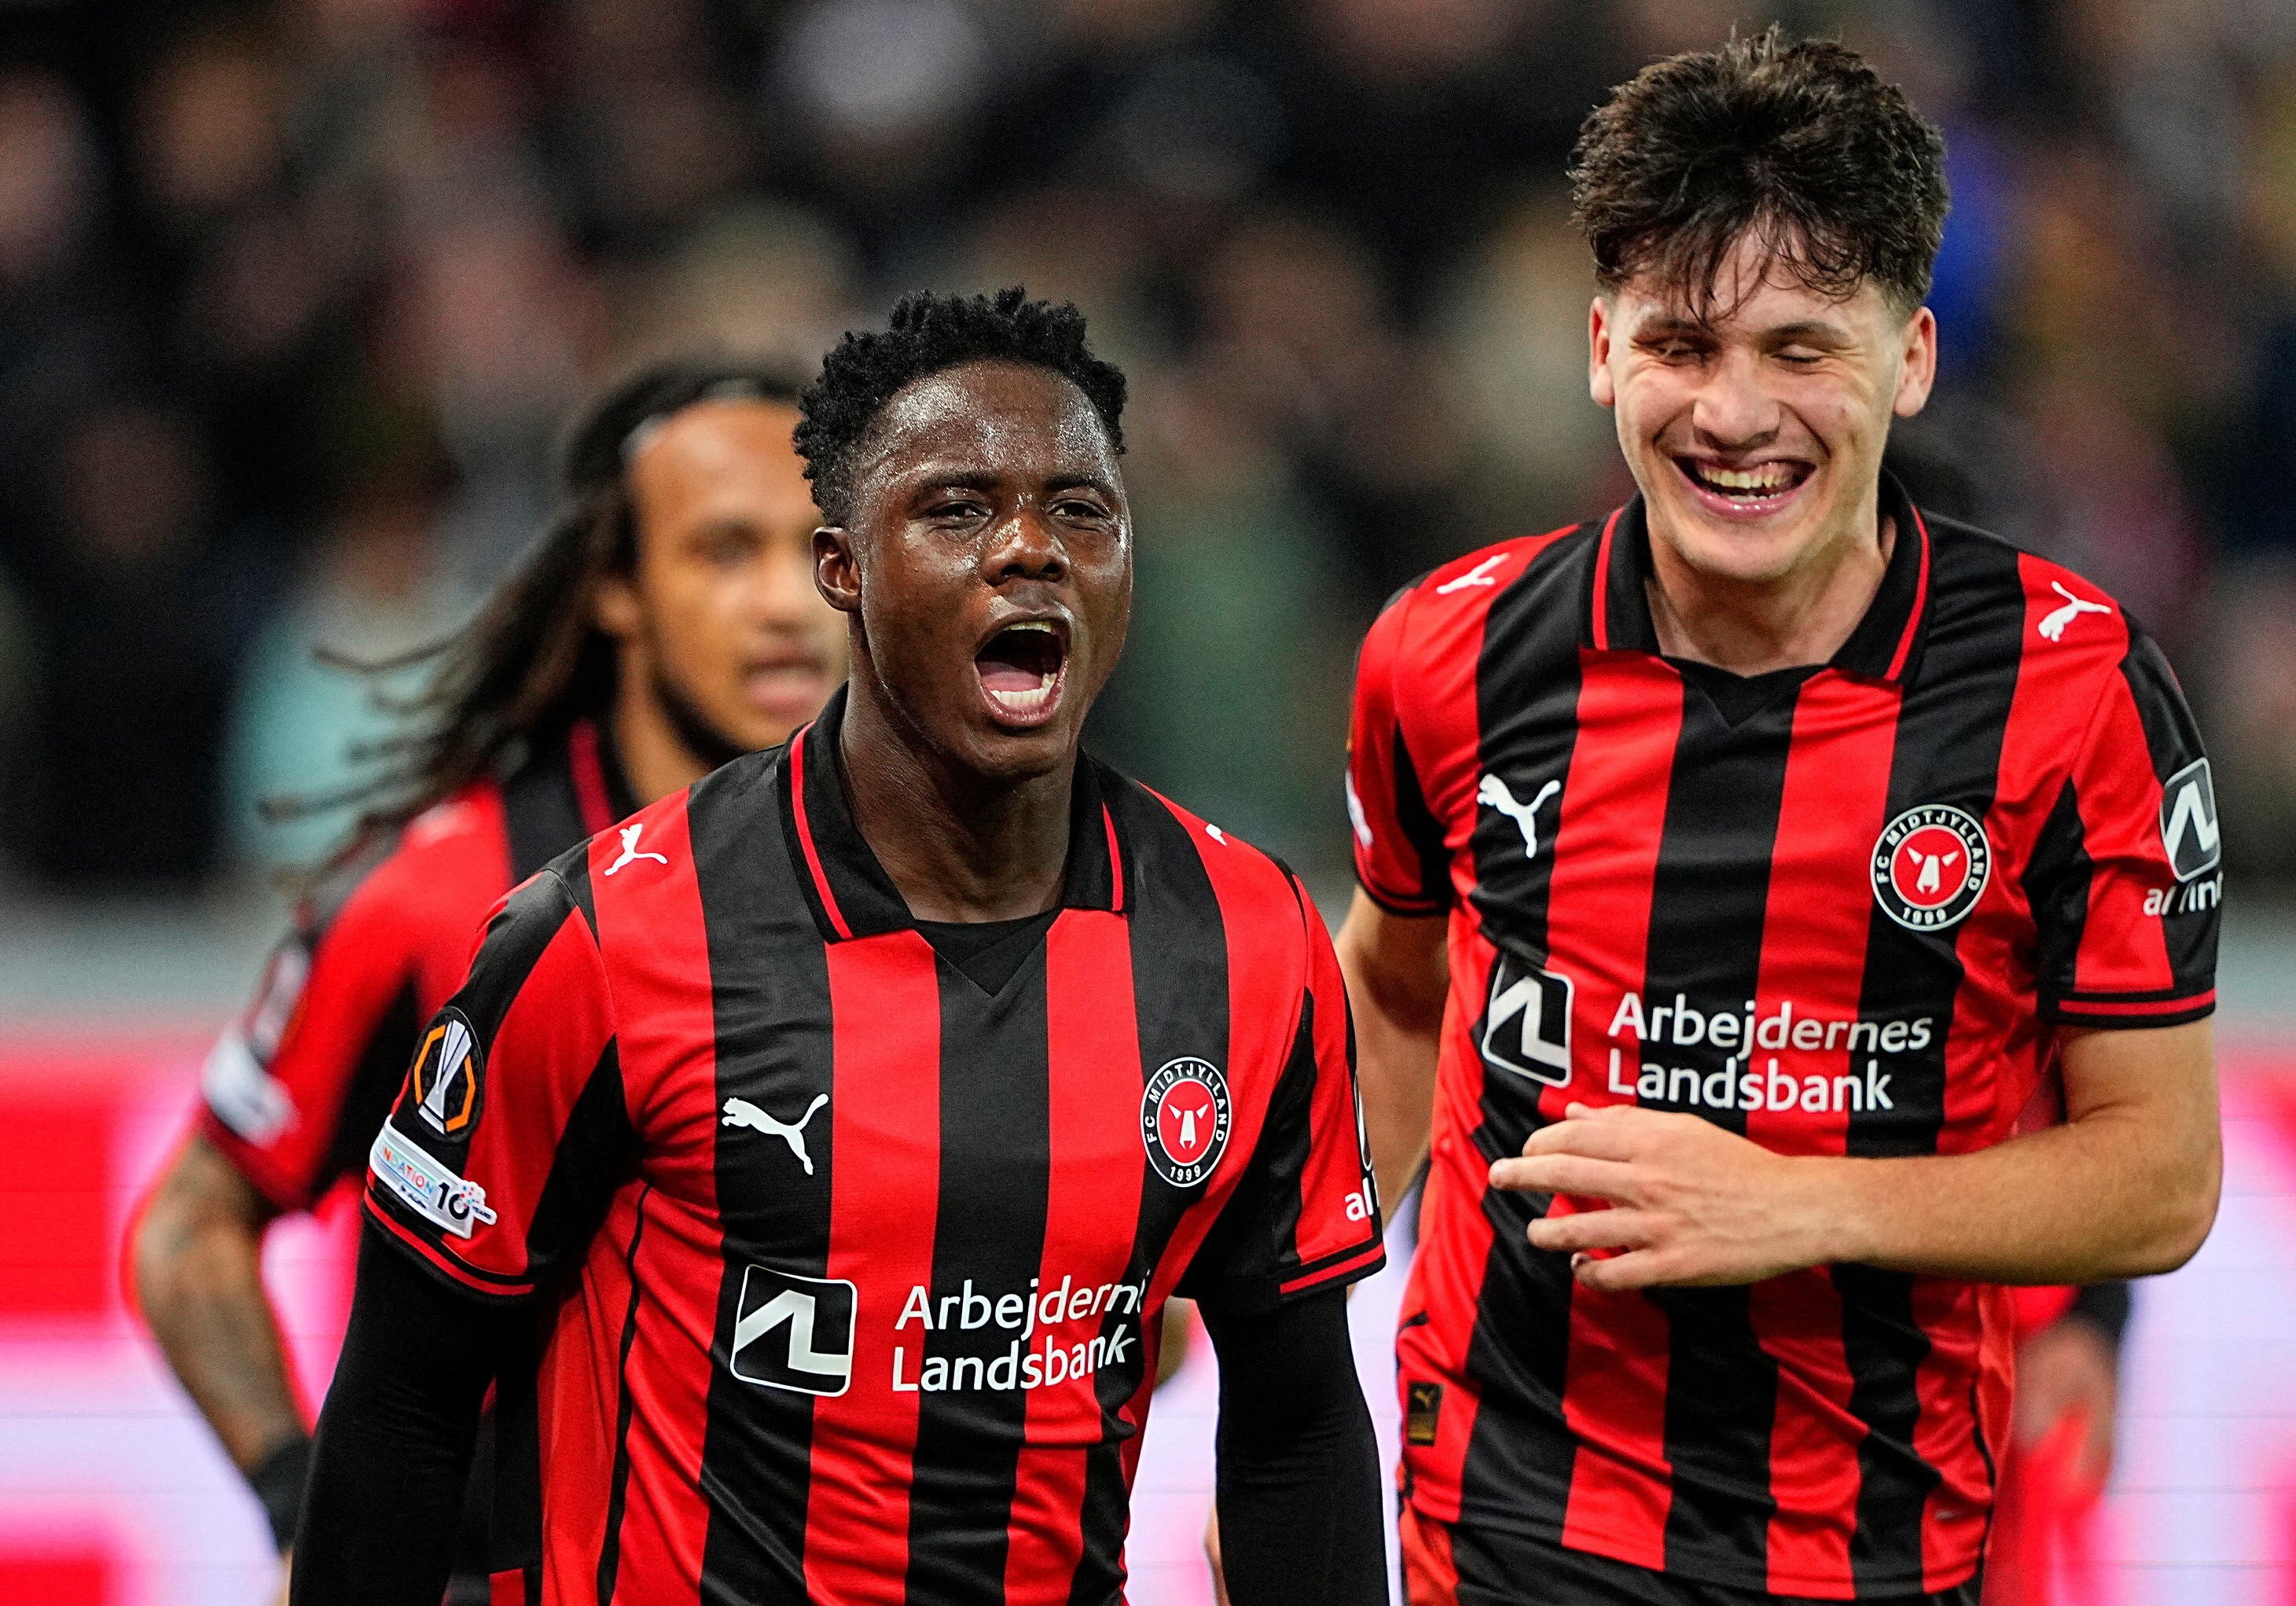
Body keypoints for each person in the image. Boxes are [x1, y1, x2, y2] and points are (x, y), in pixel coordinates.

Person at [289, 288, 1390, 1605]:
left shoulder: (1242, 934)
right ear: (843, 572)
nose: (1030, 547)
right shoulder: (609, 937)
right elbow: (405, 1405)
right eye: (958, 508)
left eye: (1080, 510)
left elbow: (1298, 1418)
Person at [1339, 31, 2221, 1606]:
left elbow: (2159, 1175)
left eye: (1802, 347)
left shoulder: (2070, 688)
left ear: (1914, 357)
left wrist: (1807, 1199)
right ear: (1602, 348)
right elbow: (1393, 1001)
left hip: (1878, 1544)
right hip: (1502, 1526)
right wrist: (1280, 1396)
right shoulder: (1448, 651)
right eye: (1682, 343)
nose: (1734, 412)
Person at [129, 353, 847, 1603]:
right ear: (616, 588)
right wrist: (305, 1502)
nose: (787, 605)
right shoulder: (433, 898)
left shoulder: (940, 885)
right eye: (726, 552)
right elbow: (191, 1224)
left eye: (818, 553)